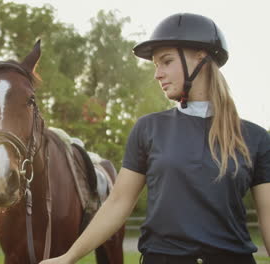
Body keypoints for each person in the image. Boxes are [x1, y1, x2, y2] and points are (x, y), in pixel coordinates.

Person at [40, 13, 270, 264]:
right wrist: (69, 257)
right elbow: (118, 204)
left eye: (166, 62)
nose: (157, 74)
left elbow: (268, 216)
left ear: (201, 58)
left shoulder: (256, 138)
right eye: (155, 65)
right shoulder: (148, 129)